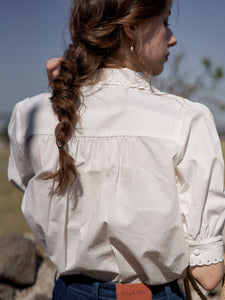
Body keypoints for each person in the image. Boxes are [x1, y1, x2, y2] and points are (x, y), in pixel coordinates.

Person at [8, 0, 225, 299]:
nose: (172, 37)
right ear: (130, 29)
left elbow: (32, 186)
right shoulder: (186, 119)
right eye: (164, 21)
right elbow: (209, 275)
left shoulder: (28, 117)